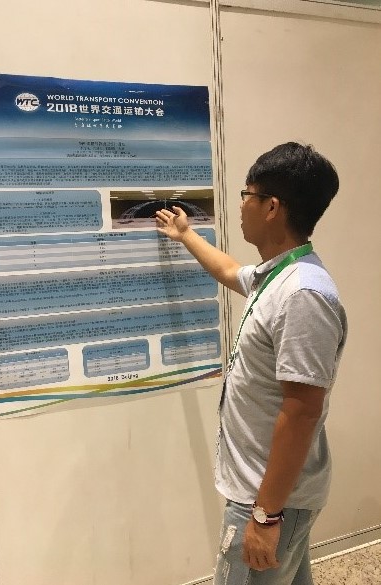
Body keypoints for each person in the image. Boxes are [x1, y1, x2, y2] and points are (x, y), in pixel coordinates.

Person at [156, 142, 347, 585]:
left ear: (271, 207)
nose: (241, 205)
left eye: (247, 194)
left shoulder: (303, 295)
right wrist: (186, 235)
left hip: (268, 499)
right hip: (270, 494)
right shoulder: (278, 274)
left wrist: (265, 515)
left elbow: (302, 411)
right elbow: (229, 271)